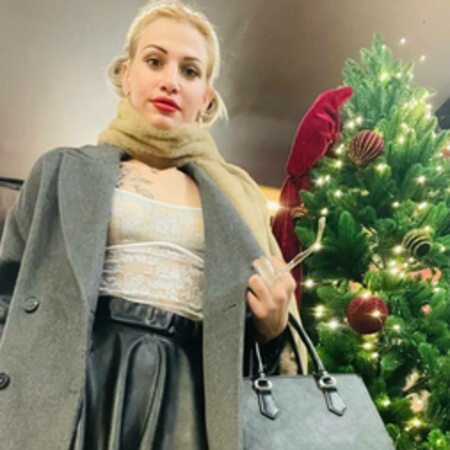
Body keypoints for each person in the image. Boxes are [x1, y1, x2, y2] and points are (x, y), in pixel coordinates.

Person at [0, 1, 305, 449]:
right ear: (126, 74)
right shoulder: (61, 171)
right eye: (155, 61)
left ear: (206, 98)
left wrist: (273, 330)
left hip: (190, 398)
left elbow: (250, 345)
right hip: (71, 388)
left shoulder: (236, 200)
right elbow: (7, 292)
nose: (170, 81)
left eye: (190, 71)